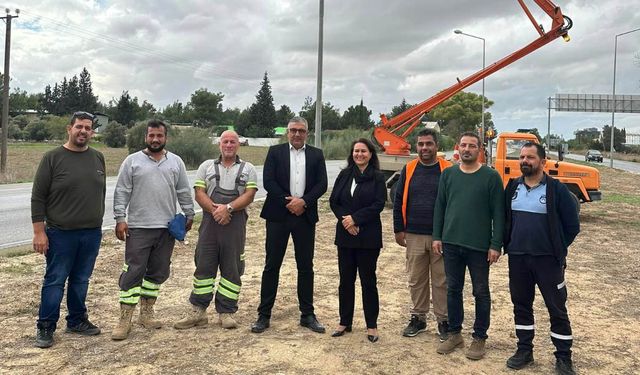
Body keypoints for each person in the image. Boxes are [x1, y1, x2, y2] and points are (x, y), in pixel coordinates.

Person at [111, 119, 195, 340]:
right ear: (146, 137)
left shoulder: (175, 162)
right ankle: (124, 319)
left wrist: (189, 213)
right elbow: (121, 192)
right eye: (151, 136)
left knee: (158, 271)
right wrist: (120, 218)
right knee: (133, 272)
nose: (155, 139)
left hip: (166, 228)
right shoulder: (132, 162)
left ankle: (146, 312)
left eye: (159, 136)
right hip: (138, 227)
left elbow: (184, 190)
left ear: (165, 137)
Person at [31, 111, 106, 348]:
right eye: (79, 127)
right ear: (69, 129)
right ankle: (45, 326)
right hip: (60, 234)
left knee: (81, 279)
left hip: (91, 233)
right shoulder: (52, 158)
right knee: (55, 281)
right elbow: (38, 197)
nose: (83, 131)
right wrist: (39, 231)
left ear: (92, 131)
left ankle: (76, 320)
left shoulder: (98, 157)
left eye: (88, 128)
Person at [503, 143, 579, 375]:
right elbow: (505, 219)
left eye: (531, 157)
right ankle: (524, 350)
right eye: (522, 157)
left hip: (548, 261)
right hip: (518, 258)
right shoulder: (513, 187)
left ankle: (563, 357)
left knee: (556, 308)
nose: (525, 160)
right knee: (521, 305)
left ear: (543, 162)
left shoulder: (557, 190)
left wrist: (556, 247)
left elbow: (572, 226)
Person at [174, 130, 258, 330]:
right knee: (204, 265)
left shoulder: (248, 169)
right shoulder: (206, 166)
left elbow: (250, 195)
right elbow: (199, 193)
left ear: (238, 145)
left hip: (235, 225)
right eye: (225, 141)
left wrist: (228, 208)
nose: (228, 145)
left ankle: (226, 312)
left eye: (233, 142)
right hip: (210, 224)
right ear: (220, 144)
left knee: (232, 267)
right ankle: (198, 311)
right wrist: (216, 210)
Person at [251, 116, 328, 334]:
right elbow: (269, 181)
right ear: (287, 132)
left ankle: (307, 314)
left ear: (307, 133)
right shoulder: (275, 153)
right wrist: (289, 202)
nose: (296, 134)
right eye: (293, 130)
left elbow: (322, 183)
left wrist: (303, 202)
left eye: (301, 131)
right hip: (278, 216)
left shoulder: (316, 154)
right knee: (271, 265)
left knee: (305, 266)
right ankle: (264, 315)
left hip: (304, 216)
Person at [433, 131, 505, 360]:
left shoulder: (491, 177)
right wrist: (437, 236)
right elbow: (440, 207)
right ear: (458, 147)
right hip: (451, 243)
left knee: (480, 291)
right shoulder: (449, 174)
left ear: (480, 150)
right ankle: (455, 333)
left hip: (479, 246)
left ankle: (479, 337)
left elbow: (499, 214)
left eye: (472, 146)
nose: (467, 149)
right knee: (453, 289)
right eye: (463, 145)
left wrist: (495, 244)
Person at [393, 129, 452, 340]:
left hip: (441, 236)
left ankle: (444, 320)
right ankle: (418, 317)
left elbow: (453, 203)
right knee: (416, 279)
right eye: (420, 144)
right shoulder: (409, 168)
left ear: (437, 145)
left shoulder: (448, 169)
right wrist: (399, 229)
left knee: (441, 280)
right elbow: (398, 200)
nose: (424, 148)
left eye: (428, 144)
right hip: (414, 234)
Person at [329, 138, 386, 343]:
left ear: (371, 154)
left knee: (368, 281)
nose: (359, 154)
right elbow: (334, 201)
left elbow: (379, 204)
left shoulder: (378, 177)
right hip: (346, 236)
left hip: (368, 236)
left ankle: (372, 325)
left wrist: (356, 219)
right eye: (356, 151)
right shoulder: (345, 174)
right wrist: (346, 221)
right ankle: (345, 322)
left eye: (363, 151)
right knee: (345, 281)